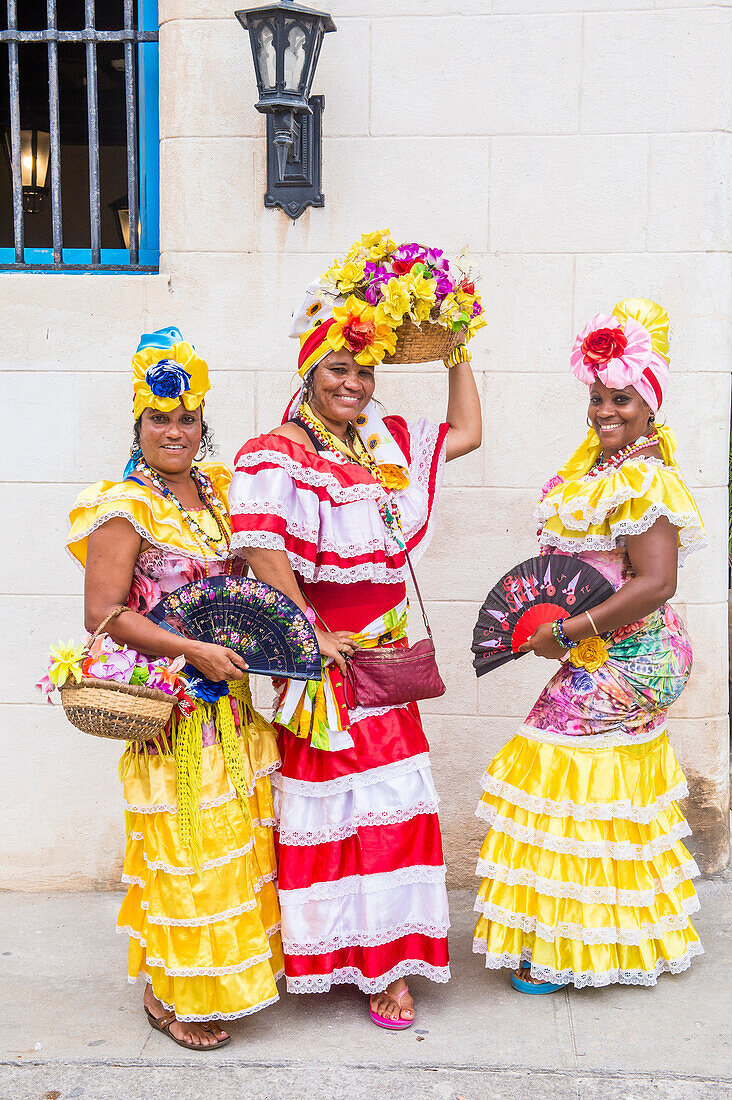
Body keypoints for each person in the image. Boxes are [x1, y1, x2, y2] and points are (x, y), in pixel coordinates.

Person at [228, 278, 482, 1027]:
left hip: (386, 660)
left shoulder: (383, 445)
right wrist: (310, 628)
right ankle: (344, 960)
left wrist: (458, 343)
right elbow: (259, 543)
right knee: (336, 813)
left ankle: (387, 961)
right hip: (324, 669)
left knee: (392, 812)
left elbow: (466, 431)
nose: (354, 383)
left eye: (365, 371)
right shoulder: (276, 452)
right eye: (339, 367)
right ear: (308, 372)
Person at [472, 298, 706, 992]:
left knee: (553, 763)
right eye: (598, 397)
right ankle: (603, 937)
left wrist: (566, 631)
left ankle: (572, 948)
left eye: (622, 398)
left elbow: (657, 582)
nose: (605, 410)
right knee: (591, 778)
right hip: (606, 650)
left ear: (649, 405)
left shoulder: (643, 478)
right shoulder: (604, 470)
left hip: (636, 655)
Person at [67, 327, 282, 1048]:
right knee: (188, 851)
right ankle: (177, 991)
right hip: (172, 712)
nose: (175, 431)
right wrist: (194, 647)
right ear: (138, 424)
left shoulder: (220, 496)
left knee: (235, 844)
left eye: (187, 418)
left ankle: (211, 977)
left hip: (234, 708)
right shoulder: (124, 505)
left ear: (202, 425)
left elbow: (251, 578)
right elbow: (104, 613)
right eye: (159, 418)